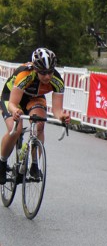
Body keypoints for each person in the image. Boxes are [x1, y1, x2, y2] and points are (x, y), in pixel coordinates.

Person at [0, 48, 71, 184]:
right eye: (43, 73)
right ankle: (1, 163)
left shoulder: (57, 81)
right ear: (35, 69)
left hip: (35, 98)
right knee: (15, 129)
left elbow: (57, 110)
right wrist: (15, 111)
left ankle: (34, 165)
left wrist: (62, 116)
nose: (47, 77)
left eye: (50, 72)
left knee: (39, 124)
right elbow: (13, 104)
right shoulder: (25, 74)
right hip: (11, 97)